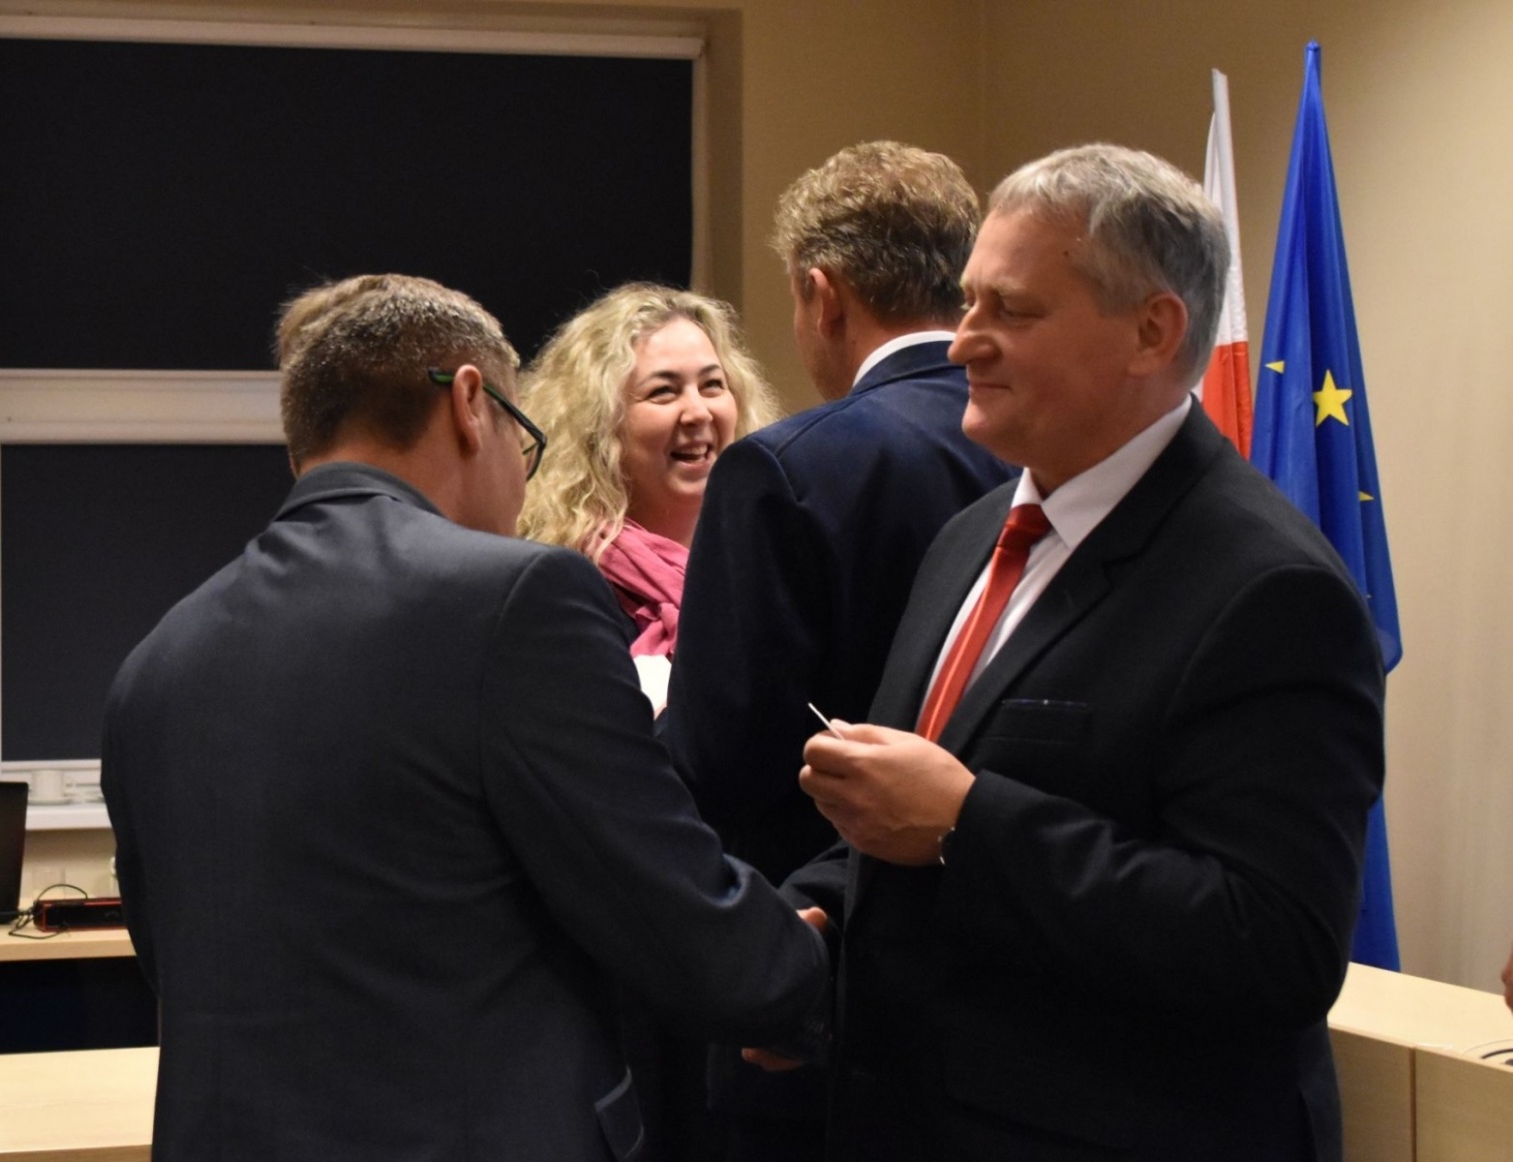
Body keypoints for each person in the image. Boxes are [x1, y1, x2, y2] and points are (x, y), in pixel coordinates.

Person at [101, 274, 827, 1162]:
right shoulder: (516, 600)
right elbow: (653, 892)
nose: (523, 477)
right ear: (471, 406)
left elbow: (171, 957)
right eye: (524, 438)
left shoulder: (157, 662)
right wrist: (803, 978)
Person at [783, 145, 1386, 1161]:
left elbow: (1274, 943)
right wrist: (821, 920)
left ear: (1153, 331)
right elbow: (911, 811)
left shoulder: (1270, 589)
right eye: (968, 301)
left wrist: (967, 824)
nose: (963, 342)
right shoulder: (973, 537)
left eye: (1010, 311)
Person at [658, 142, 1016, 1159]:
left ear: (821, 295)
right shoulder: (1046, 447)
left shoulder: (784, 470)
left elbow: (724, 759)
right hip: (1015, 977)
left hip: (819, 985)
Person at [518, 284, 779, 676]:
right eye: (663, 392)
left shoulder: (773, 561)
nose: (698, 412)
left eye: (712, 385)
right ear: (599, 425)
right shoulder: (561, 589)